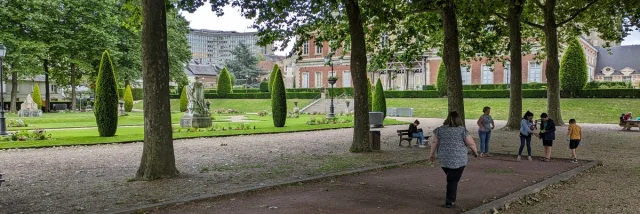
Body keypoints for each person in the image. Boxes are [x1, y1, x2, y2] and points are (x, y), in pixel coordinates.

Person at [430, 111, 479, 208]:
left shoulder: (440, 130)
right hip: (459, 159)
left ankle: (450, 195)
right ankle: (450, 201)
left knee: (451, 177)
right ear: (458, 119)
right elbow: (471, 143)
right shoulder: (462, 130)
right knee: (452, 180)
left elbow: (434, 142)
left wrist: (431, 154)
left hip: (444, 159)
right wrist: (475, 152)